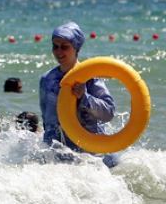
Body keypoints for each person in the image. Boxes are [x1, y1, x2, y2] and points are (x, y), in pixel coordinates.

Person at [39, 22, 120, 168]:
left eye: (64, 47)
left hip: (93, 156)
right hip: (61, 156)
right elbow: (47, 120)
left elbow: (108, 112)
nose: (58, 52)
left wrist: (84, 97)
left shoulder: (90, 77)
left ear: (76, 47)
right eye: (55, 46)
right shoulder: (47, 80)